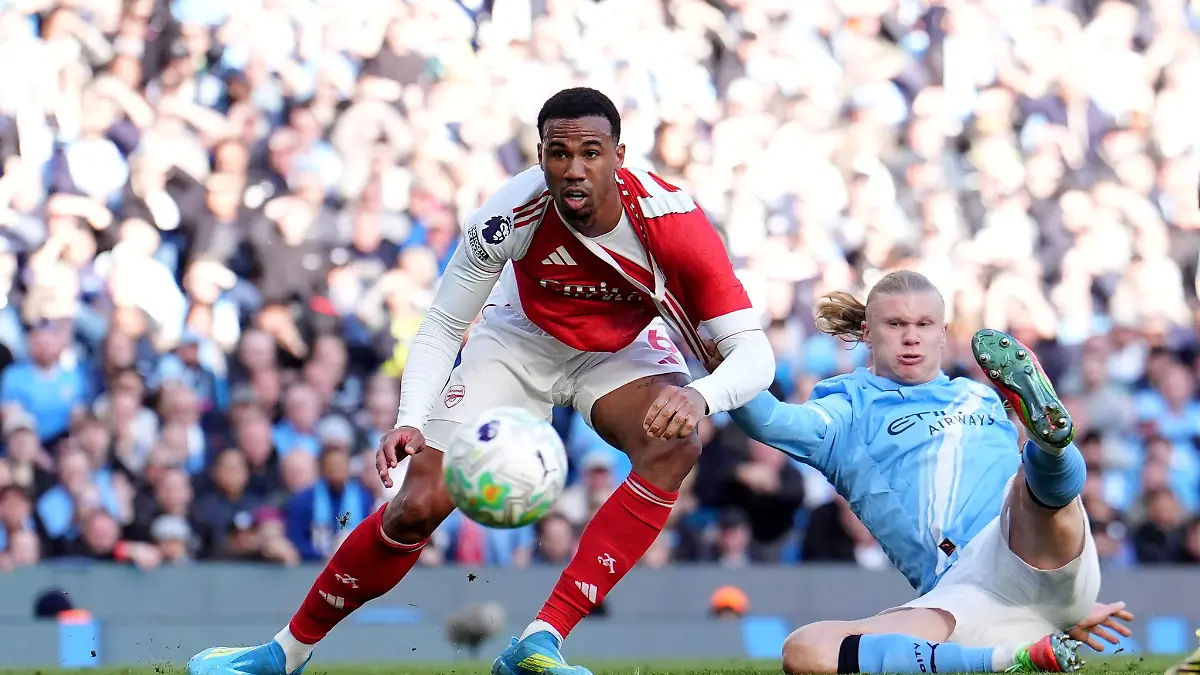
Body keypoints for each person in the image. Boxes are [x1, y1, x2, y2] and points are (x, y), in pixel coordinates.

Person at [187, 87, 775, 675]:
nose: (574, 170)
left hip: (618, 351)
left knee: (674, 445)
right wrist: (410, 418)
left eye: (591, 153)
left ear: (619, 156)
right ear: (540, 154)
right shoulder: (508, 214)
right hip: (518, 341)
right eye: (558, 153)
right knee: (415, 506)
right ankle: (282, 655)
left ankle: (539, 642)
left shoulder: (673, 222)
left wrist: (699, 395)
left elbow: (755, 355)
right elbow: (445, 321)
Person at [718, 270, 1133, 675]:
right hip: (962, 594)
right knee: (807, 651)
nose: (911, 336)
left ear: (942, 331)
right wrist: (722, 356)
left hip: (1033, 544)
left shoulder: (980, 397)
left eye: (924, 324)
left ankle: (1052, 446)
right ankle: (1013, 661)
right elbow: (768, 420)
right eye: (895, 324)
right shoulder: (845, 410)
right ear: (866, 333)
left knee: (1029, 483)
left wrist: (1061, 595)